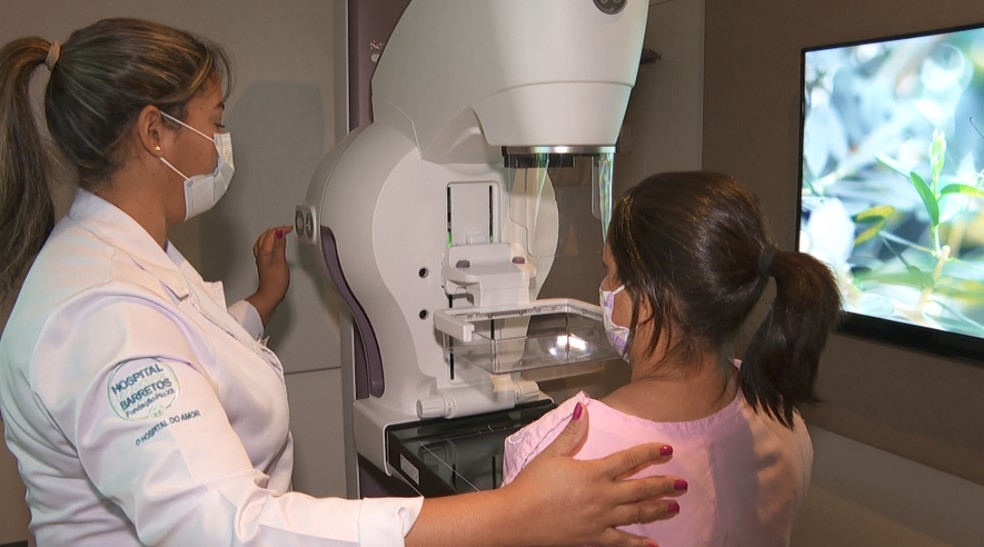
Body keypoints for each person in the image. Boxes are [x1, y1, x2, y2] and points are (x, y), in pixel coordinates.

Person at [0, 18, 688, 547]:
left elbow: (185, 353)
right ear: (156, 131)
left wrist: (257, 307)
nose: (221, 140)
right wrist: (515, 512)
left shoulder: (130, 258)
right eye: (214, 121)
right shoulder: (99, 311)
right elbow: (233, 529)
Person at [502, 171, 842, 546]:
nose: (603, 289)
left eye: (610, 272)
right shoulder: (781, 417)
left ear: (646, 299)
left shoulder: (563, 449)